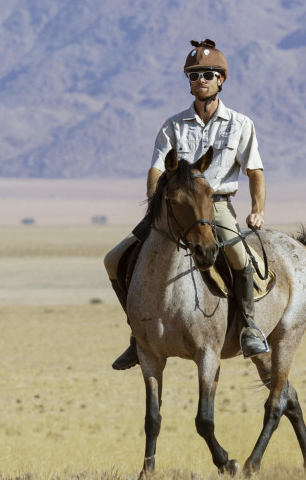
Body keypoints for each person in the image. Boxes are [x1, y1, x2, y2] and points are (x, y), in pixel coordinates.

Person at [103, 38, 268, 369]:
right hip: (173, 209)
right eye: (194, 75)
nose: (201, 81)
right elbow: (156, 168)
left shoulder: (240, 124)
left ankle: (249, 327)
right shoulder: (173, 126)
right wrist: (155, 203)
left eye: (208, 74)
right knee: (113, 260)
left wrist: (257, 210)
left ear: (221, 79)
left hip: (215, 206)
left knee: (237, 256)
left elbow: (255, 172)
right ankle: (138, 336)